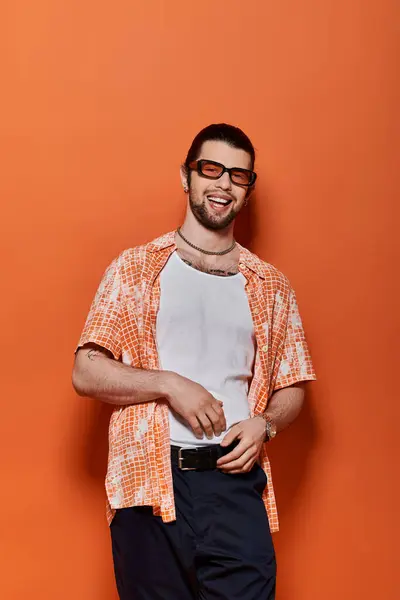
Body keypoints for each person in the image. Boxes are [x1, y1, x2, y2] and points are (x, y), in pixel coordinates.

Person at [72, 123, 316, 600]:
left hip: (233, 481)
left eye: (239, 176)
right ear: (186, 178)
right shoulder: (136, 268)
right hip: (149, 479)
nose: (224, 184)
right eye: (211, 169)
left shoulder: (270, 285)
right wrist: (169, 383)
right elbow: (86, 369)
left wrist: (265, 424)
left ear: (248, 189)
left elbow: (293, 386)